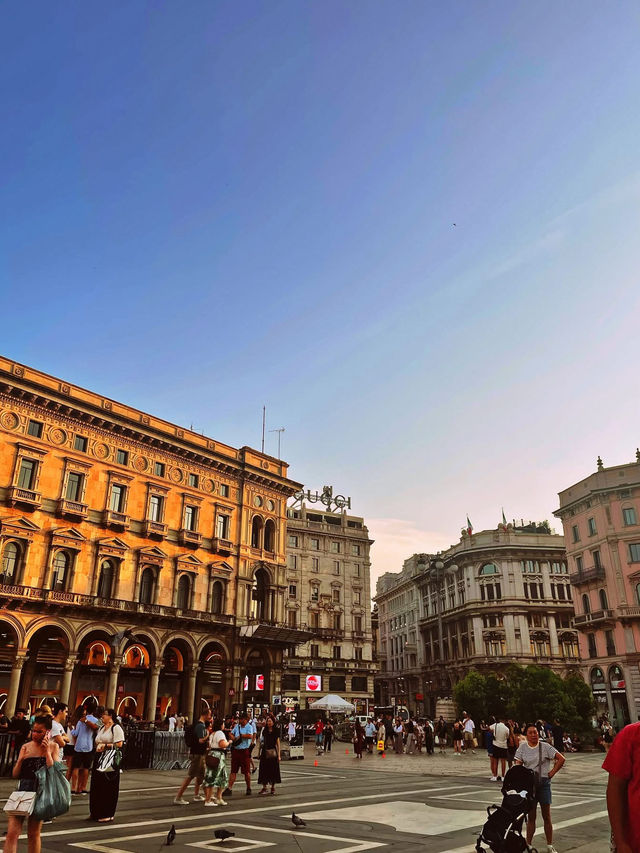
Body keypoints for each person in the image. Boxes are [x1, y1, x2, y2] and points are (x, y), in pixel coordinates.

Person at [3, 714, 60, 853]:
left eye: (39, 731)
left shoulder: (53, 746)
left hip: (40, 791)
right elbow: (15, 774)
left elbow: (54, 771)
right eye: (33, 730)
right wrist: (21, 760)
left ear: (47, 732)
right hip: (23, 790)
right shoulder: (26, 746)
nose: (35, 734)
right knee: (12, 833)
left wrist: (46, 752)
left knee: (33, 833)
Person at [514, 722, 565, 853]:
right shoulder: (522, 748)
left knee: (546, 816)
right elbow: (517, 764)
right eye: (530, 733)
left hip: (543, 784)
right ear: (526, 735)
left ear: (538, 733)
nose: (533, 735)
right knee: (531, 816)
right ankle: (528, 844)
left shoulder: (545, 746)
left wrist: (551, 773)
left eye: (535, 732)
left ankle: (549, 845)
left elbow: (561, 759)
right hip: (529, 786)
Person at [89, 708, 124, 822]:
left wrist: (106, 746)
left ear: (111, 716)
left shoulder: (116, 728)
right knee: (96, 784)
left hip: (109, 758)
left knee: (108, 786)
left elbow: (119, 744)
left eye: (104, 715)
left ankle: (107, 813)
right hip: (99, 757)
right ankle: (95, 812)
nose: (102, 717)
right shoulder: (102, 728)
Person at [173, 708, 211, 804]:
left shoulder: (198, 725)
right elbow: (201, 740)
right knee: (191, 775)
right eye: (209, 715)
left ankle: (197, 795)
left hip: (199, 753)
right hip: (197, 754)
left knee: (200, 775)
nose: (210, 717)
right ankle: (178, 797)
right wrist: (208, 735)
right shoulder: (200, 726)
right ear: (205, 715)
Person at [223, 711, 254, 797]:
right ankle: (229, 788)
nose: (240, 721)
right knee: (233, 770)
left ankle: (248, 787)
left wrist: (241, 736)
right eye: (240, 719)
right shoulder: (237, 726)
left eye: (242, 719)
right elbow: (230, 733)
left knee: (246, 771)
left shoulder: (249, 727)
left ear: (246, 720)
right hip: (236, 750)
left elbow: (250, 736)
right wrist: (232, 737)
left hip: (244, 751)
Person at [71, 702, 99, 795]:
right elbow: (97, 729)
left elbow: (75, 733)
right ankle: (83, 787)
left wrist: (71, 729)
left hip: (78, 746)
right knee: (86, 768)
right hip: (89, 746)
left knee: (76, 767)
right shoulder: (96, 720)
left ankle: (73, 787)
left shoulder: (81, 720)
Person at [203, 718, 230, 807]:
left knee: (213, 776)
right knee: (218, 776)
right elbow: (222, 744)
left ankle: (218, 797)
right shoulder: (220, 733)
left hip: (212, 754)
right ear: (220, 725)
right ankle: (210, 799)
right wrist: (229, 742)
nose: (224, 725)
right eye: (223, 724)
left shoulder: (212, 733)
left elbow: (209, 745)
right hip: (218, 755)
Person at [257, 715, 281, 795]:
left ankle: (273, 787)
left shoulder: (276, 731)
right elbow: (262, 742)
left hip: (273, 752)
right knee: (263, 769)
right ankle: (264, 787)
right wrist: (258, 752)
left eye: (270, 721)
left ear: (273, 722)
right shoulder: (265, 730)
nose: (269, 723)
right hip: (264, 751)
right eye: (268, 721)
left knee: (273, 769)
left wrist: (279, 755)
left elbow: (278, 743)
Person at [490, 715, 510, 781]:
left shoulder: (494, 725)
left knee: (495, 761)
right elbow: (507, 736)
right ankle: (503, 776)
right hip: (504, 745)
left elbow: (489, 728)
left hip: (495, 744)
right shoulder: (506, 728)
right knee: (503, 761)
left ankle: (495, 776)